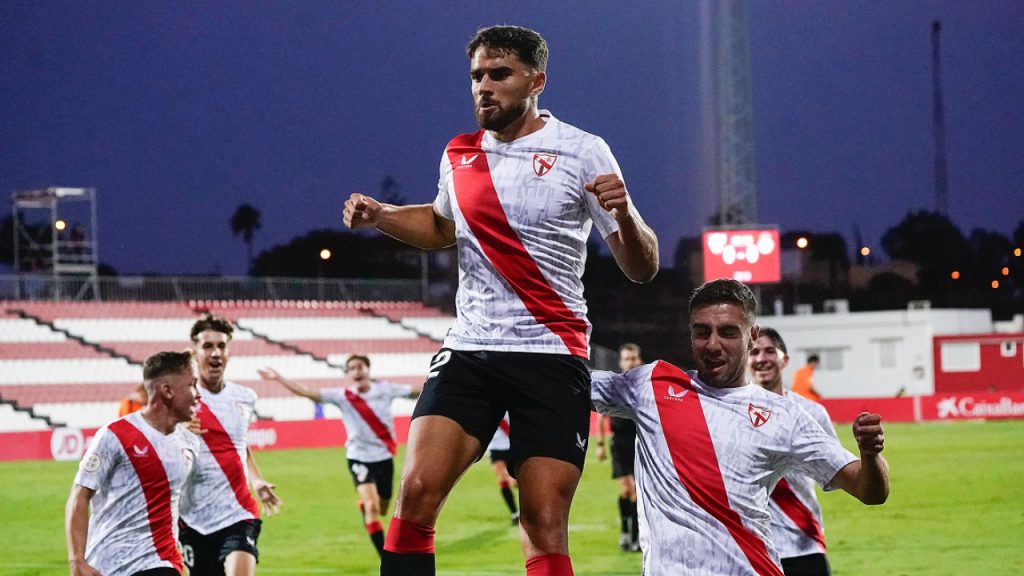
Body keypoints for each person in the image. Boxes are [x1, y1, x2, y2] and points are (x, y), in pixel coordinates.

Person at [342, 25, 659, 576]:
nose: (483, 87)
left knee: (541, 523)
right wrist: (382, 218)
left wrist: (627, 215)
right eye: (476, 76)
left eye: (499, 75)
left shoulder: (583, 151)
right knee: (414, 495)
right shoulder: (459, 153)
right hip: (472, 350)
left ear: (537, 80)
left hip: (552, 355)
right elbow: (442, 226)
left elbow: (642, 267)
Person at [590, 279, 889, 576]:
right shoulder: (651, 387)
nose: (713, 345)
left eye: (728, 332)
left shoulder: (784, 415)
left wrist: (870, 454)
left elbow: (870, 490)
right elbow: (565, 383)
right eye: (702, 332)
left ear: (752, 336)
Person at [257, 354, 420, 557]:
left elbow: (415, 392)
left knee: (383, 508)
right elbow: (307, 393)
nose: (357, 371)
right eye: (352, 368)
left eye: (360, 367)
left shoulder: (385, 390)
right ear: (349, 374)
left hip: (383, 456)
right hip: (358, 457)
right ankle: (386, 558)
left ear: (368, 369)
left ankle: (365, 506)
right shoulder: (343, 396)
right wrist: (279, 378)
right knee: (372, 506)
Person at [65, 351, 200, 576]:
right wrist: (76, 560)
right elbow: (80, 495)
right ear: (167, 390)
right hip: (108, 563)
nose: (198, 395)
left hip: (160, 562)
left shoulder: (189, 443)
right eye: (192, 385)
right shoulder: (115, 436)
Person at [179, 314, 281, 576]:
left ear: (229, 353)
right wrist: (177, 430)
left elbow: (239, 445)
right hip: (193, 519)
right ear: (194, 353)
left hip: (238, 512)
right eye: (208, 346)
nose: (215, 353)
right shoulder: (180, 401)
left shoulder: (245, 397)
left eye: (221, 346)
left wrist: (256, 480)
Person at [749, 327, 841, 575]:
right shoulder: (728, 412)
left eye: (770, 351)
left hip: (802, 544)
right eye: (754, 352)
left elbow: (836, 474)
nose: (761, 358)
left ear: (784, 359)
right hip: (750, 549)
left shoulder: (811, 413)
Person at [594, 343, 643, 552]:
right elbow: (601, 415)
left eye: (634, 358)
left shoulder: (645, 385)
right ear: (621, 362)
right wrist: (600, 444)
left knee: (637, 492)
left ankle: (635, 537)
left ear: (639, 360)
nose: (631, 362)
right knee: (627, 489)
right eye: (627, 359)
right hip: (620, 443)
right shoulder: (613, 385)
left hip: (640, 444)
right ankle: (627, 532)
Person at [484, 413, 520, 526]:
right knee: (502, 479)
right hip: (495, 448)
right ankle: (515, 514)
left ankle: (530, 510)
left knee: (515, 480)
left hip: (511, 446)